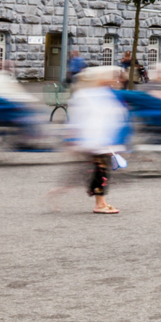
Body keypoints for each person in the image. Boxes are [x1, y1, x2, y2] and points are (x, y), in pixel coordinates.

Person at [66, 65, 126, 215]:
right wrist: (74, 139)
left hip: (101, 140)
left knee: (100, 171)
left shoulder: (101, 93)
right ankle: (99, 204)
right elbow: (78, 118)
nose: (112, 80)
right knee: (100, 171)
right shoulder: (86, 95)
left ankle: (101, 201)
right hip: (94, 139)